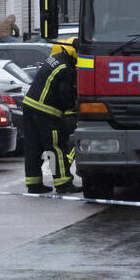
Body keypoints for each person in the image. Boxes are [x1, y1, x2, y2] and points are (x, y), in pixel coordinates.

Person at [21, 42, 80, 194]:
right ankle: (63, 183)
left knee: (33, 147)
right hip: (46, 111)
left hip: (29, 106)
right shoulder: (66, 69)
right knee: (55, 147)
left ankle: (34, 184)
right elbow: (64, 95)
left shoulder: (56, 58)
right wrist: (72, 109)